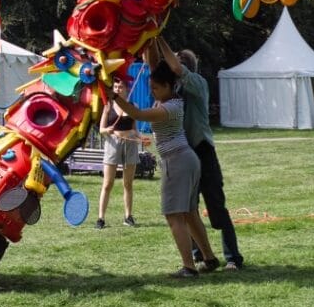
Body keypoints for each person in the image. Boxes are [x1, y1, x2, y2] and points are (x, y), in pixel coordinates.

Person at [106, 54, 217, 279]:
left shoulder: (170, 107)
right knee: (189, 213)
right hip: (185, 160)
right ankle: (210, 258)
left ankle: (189, 267)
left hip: (177, 162)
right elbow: (156, 62)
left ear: (168, 86)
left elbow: (136, 113)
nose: (152, 91)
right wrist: (152, 41)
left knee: (173, 214)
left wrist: (114, 97)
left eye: (156, 88)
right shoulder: (169, 100)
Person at [153, 37, 244, 272]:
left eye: (179, 61)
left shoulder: (198, 83)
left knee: (216, 206)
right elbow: (156, 66)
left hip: (202, 150)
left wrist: (159, 37)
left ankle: (232, 257)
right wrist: (148, 37)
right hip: (183, 154)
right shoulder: (172, 91)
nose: (175, 64)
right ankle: (201, 256)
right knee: (187, 207)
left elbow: (173, 67)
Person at [95, 77, 139, 229]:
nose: (118, 89)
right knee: (108, 183)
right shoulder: (108, 106)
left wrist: (141, 139)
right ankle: (101, 218)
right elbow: (101, 129)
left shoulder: (132, 106)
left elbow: (135, 129)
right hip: (113, 144)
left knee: (128, 184)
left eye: (121, 87)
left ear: (126, 89)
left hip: (130, 144)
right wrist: (107, 130)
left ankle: (128, 216)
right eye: (115, 87)